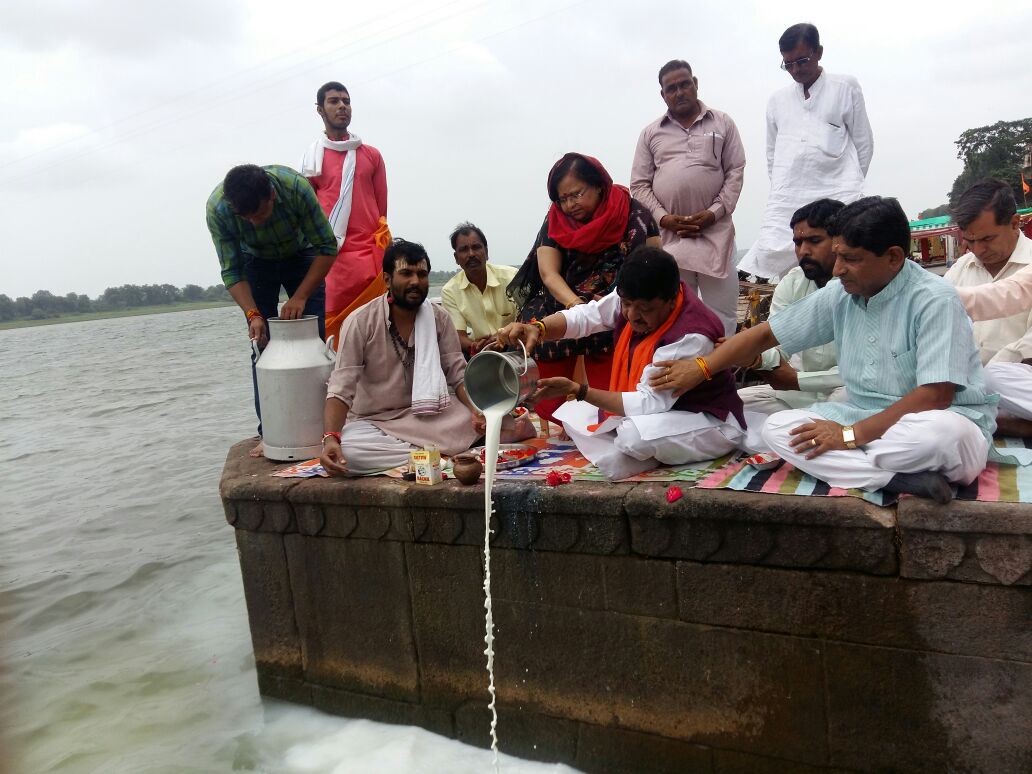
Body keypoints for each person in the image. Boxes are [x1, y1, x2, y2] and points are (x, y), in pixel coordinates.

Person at [651, 197, 995, 504]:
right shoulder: (841, 293)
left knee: (936, 437)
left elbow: (935, 396)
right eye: (838, 256)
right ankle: (894, 478)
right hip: (861, 416)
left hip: (932, 424)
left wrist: (848, 436)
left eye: (850, 259)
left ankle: (863, 466)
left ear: (893, 257)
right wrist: (702, 367)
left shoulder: (934, 299)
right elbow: (764, 336)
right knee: (779, 429)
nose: (838, 269)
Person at [496, 246, 747, 481]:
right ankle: (637, 456)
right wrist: (537, 328)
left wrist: (578, 390)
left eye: (644, 309)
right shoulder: (633, 296)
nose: (632, 315)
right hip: (659, 414)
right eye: (626, 305)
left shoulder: (690, 336)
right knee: (569, 416)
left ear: (671, 300)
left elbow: (649, 403)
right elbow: (588, 316)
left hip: (707, 419)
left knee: (633, 436)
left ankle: (640, 455)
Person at [507, 152, 661, 425]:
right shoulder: (555, 218)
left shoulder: (634, 215)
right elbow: (548, 272)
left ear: (599, 185)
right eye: (562, 198)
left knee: (614, 399)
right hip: (565, 300)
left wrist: (607, 306)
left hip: (619, 302)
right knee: (545, 395)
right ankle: (567, 423)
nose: (569, 205)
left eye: (576, 194)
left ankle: (598, 423)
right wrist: (575, 305)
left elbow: (648, 271)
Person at [206, 163, 338, 457]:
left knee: (313, 345)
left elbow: (327, 247)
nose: (253, 222)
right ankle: (271, 433)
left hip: (302, 255)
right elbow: (231, 271)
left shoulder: (295, 189)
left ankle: (326, 429)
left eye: (260, 214)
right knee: (261, 346)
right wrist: (253, 313)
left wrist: (300, 296)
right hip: (255, 263)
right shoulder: (219, 209)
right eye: (246, 217)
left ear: (272, 197)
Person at [320, 239, 479, 476]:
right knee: (350, 453)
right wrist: (330, 438)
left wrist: (478, 411)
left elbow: (457, 374)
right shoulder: (360, 322)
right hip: (376, 422)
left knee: (504, 424)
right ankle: (437, 456)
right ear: (387, 280)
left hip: (429, 415)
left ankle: (427, 456)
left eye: (422, 274)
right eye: (406, 273)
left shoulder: (439, 318)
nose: (415, 281)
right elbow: (340, 387)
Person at [739, 23, 874, 282]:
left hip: (839, 188)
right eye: (788, 64)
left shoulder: (845, 86)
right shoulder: (777, 101)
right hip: (787, 193)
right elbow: (772, 154)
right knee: (770, 252)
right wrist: (781, 186)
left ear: (819, 52)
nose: (795, 70)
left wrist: (851, 182)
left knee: (841, 249)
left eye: (801, 61)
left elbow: (863, 143)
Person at [631, 59, 746, 336]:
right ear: (663, 95)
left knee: (723, 314)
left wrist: (713, 213)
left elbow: (735, 171)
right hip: (672, 239)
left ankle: (722, 373)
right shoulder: (651, 133)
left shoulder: (722, 122)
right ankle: (686, 375)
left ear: (695, 84)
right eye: (671, 88)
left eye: (684, 84)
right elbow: (639, 185)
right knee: (677, 313)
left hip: (716, 234)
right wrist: (665, 219)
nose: (679, 92)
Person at [739, 198, 845, 414]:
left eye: (814, 241)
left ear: (839, 242)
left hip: (846, 390)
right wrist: (755, 355)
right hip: (799, 394)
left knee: (846, 397)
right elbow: (779, 346)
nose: (803, 251)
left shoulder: (859, 285)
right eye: (798, 243)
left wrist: (798, 380)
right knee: (733, 403)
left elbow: (863, 371)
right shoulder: (792, 282)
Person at [301, 81, 389, 342]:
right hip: (332, 260)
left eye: (346, 101)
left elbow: (381, 209)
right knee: (335, 335)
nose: (342, 106)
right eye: (334, 101)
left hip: (371, 256)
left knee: (379, 329)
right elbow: (308, 216)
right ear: (320, 110)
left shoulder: (371, 155)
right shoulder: (312, 160)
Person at [945, 181, 1032, 436]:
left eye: (987, 238)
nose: (979, 249)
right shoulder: (962, 268)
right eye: (970, 241)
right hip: (971, 390)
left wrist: (981, 381)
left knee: (996, 377)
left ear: (1015, 223)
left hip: (1016, 384)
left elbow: (1027, 347)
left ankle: (988, 417)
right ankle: (996, 419)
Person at [440, 222, 518, 357]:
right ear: (456, 258)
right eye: (464, 249)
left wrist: (504, 337)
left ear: (486, 252)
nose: (471, 254)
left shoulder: (512, 278)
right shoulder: (450, 291)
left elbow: (528, 318)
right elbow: (458, 335)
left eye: (476, 247)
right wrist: (475, 346)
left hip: (515, 343)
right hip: (480, 351)